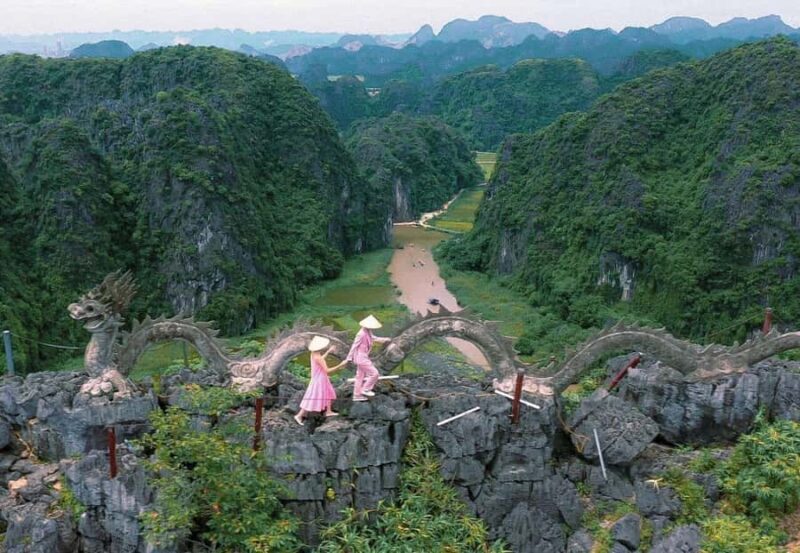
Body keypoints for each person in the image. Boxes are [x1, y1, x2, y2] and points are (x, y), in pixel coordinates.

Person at [294, 336, 347, 425]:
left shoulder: (314, 353)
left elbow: (320, 360)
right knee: (313, 397)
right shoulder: (318, 357)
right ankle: (299, 415)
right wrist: (340, 365)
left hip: (319, 377)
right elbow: (327, 370)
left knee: (328, 393)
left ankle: (328, 411)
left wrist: (328, 352)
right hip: (320, 379)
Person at [346, 315, 390, 401]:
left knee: (359, 376)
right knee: (374, 373)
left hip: (363, 356)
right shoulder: (361, 334)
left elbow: (374, 338)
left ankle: (356, 395)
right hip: (361, 357)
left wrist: (385, 339)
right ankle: (366, 389)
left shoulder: (368, 331)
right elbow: (354, 346)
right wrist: (349, 358)